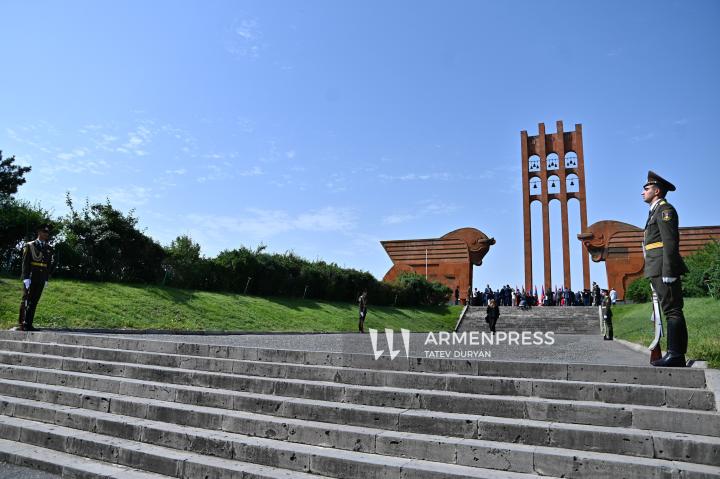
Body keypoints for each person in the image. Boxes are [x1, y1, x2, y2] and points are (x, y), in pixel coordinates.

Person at [642, 171, 689, 367]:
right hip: (656, 267)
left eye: (646, 188)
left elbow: (670, 242)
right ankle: (674, 354)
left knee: (672, 310)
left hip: (663, 268)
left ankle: (675, 354)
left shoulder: (665, 210)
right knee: (669, 309)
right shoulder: (654, 211)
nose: (642, 192)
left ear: (657, 191)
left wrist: (669, 271)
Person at [18, 224, 54, 331]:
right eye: (44, 232)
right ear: (39, 232)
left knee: (34, 301)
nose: (46, 234)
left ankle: (29, 324)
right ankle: (22, 323)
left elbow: (48, 265)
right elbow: (25, 262)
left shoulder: (48, 248)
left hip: (41, 278)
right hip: (31, 276)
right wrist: (26, 277)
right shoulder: (30, 245)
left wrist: (46, 278)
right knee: (26, 300)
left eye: (47, 232)